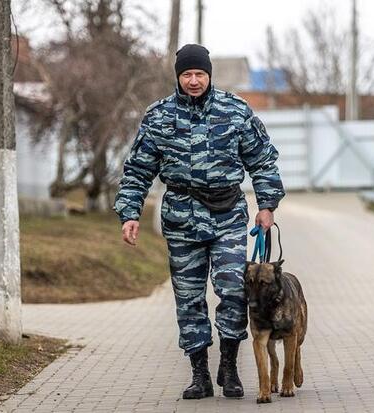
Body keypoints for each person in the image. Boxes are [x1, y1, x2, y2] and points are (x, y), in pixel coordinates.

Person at [114, 44, 285, 399]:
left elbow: (263, 159)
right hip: (181, 219)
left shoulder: (235, 110)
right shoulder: (158, 116)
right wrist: (129, 213)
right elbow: (137, 170)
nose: (194, 81)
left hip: (227, 218)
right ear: (178, 76)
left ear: (209, 75)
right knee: (189, 298)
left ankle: (229, 367)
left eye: (200, 74)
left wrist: (267, 204)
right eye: (187, 74)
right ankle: (199, 374)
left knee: (234, 293)